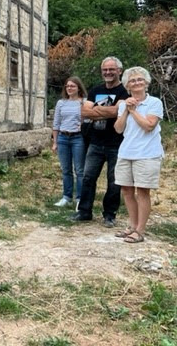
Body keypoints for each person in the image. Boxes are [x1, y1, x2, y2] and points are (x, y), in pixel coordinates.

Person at [71, 57, 129, 227]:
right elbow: (84, 112)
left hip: (116, 143)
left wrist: (96, 110)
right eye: (105, 69)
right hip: (95, 142)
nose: (108, 73)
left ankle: (109, 214)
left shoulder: (125, 91)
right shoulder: (96, 90)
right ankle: (84, 211)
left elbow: (117, 112)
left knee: (114, 181)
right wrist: (108, 111)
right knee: (88, 177)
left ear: (119, 71)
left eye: (112, 69)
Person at [113, 67, 163, 244]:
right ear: (127, 85)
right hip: (127, 151)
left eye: (140, 79)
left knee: (142, 191)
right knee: (126, 190)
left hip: (147, 154)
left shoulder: (154, 102)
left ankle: (140, 230)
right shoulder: (123, 105)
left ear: (146, 82)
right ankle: (132, 226)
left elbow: (149, 125)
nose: (137, 83)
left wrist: (134, 111)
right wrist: (126, 110)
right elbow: (118, 129)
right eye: (132, 80)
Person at [51, 76, 87, 207]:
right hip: (63, 138)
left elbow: (88, 120)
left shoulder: (84, 102)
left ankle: (80, 199)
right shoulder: (61, 103)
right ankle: (66, 197)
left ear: (78, 88)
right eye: (67, 86)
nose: (70, 88)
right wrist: (55, 142)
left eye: (73, 86)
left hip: (78, 138)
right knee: (66, 169)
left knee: (79, 170)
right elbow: (56, 123)